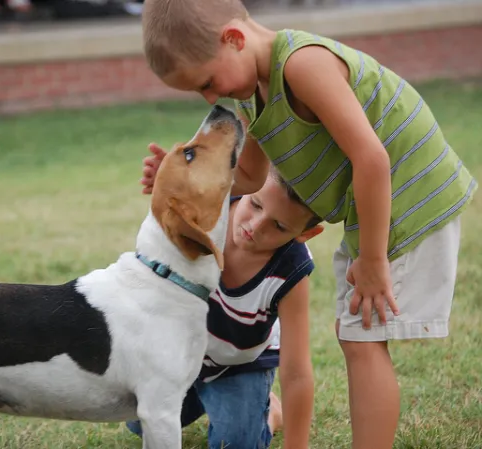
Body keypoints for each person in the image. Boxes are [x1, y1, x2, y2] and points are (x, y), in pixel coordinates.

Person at [139, 1, 478, 448]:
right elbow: (251, 177)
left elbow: (372, 158)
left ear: (234, 40)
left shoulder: (302, 63)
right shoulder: (252, 93)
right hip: (375, 201)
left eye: (206, 82)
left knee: (363, 338)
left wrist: (373, 259)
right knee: (356, 335)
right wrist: (181, 177)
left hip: (410, 193)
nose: (209, 98)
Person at [127, 151, 324, 449]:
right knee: (139, 421)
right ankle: (215, 401)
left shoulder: (290, 271)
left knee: (234, 444)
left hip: (237, 364)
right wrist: (168, 181)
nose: (255, 226)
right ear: (245, 187)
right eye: (255, 204)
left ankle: (267, 412)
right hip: (179, 351)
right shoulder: (208, 212)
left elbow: (296, 371)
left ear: (306, 233)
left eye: (279, 227)